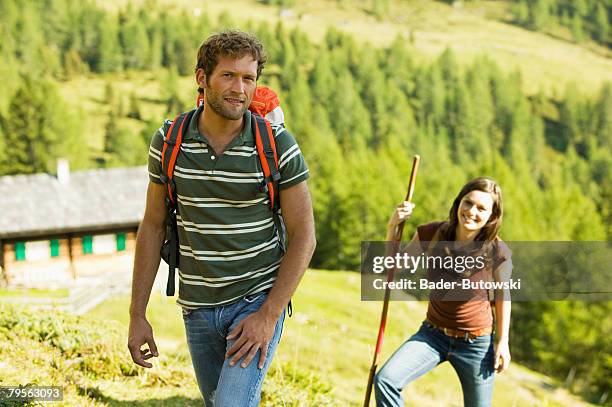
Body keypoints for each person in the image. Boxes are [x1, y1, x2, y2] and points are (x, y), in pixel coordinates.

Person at [127, 30, 316, 406]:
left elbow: (304, 236)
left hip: (255, 300)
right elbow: (151, 226)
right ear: (202, 78)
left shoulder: (276, 144)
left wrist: (268, 315)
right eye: (228, 75)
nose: (239, 88)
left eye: (249, 78)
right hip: (197, 309)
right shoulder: (169, 141)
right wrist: (137, 313)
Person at [374, 177, 512, 407]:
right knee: (386, 380)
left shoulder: (498, 251)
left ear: (491, 216)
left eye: (481, 208)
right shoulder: (433, 233)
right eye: (468, 202)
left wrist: (503, 342)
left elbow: (502, 296)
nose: (471, 211)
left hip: (476, 343)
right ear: (458, 203)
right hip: (432, 335)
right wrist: (392, 227)